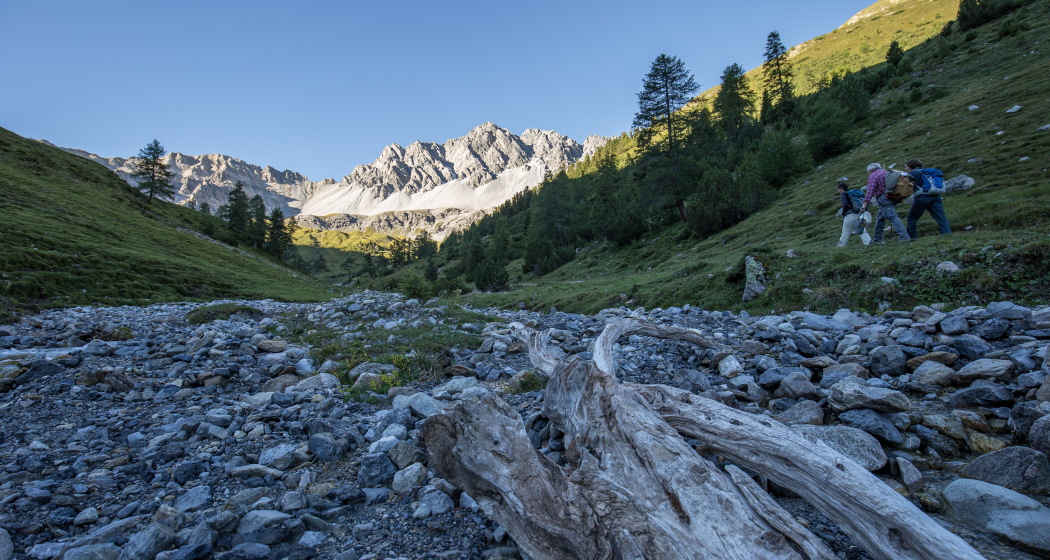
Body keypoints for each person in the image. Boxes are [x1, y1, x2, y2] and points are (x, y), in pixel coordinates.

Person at [860, 163, 910, 244]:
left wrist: (864, 204)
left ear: (870, 170)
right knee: (880, 217)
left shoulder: (874, 175)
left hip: (884, 198)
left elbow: (870, 190)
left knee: (892, 217)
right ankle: (877, 239)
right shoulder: (887, 172)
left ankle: (904, 237)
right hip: (894, 196)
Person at [904, 158, 951, 239]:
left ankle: (912, 238)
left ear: (911, 166)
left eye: (907, 166)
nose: (906, 168)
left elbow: (908, 185)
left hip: (922, 197)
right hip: (935, 196)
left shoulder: (913, 172)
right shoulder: (926, 172)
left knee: (912, 218)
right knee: (940, 216)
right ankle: (947, 234)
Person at [836, 181, 871, 246]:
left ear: (841, 189)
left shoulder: (844, 194)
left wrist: (843, 214)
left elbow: (845, 204)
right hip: (859, 214)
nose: (839, 192)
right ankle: (869, 243)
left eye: (838, 190)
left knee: (845, 233)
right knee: (862, 231)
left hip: (850, 216)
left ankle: (840, 247)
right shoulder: (852, 194)